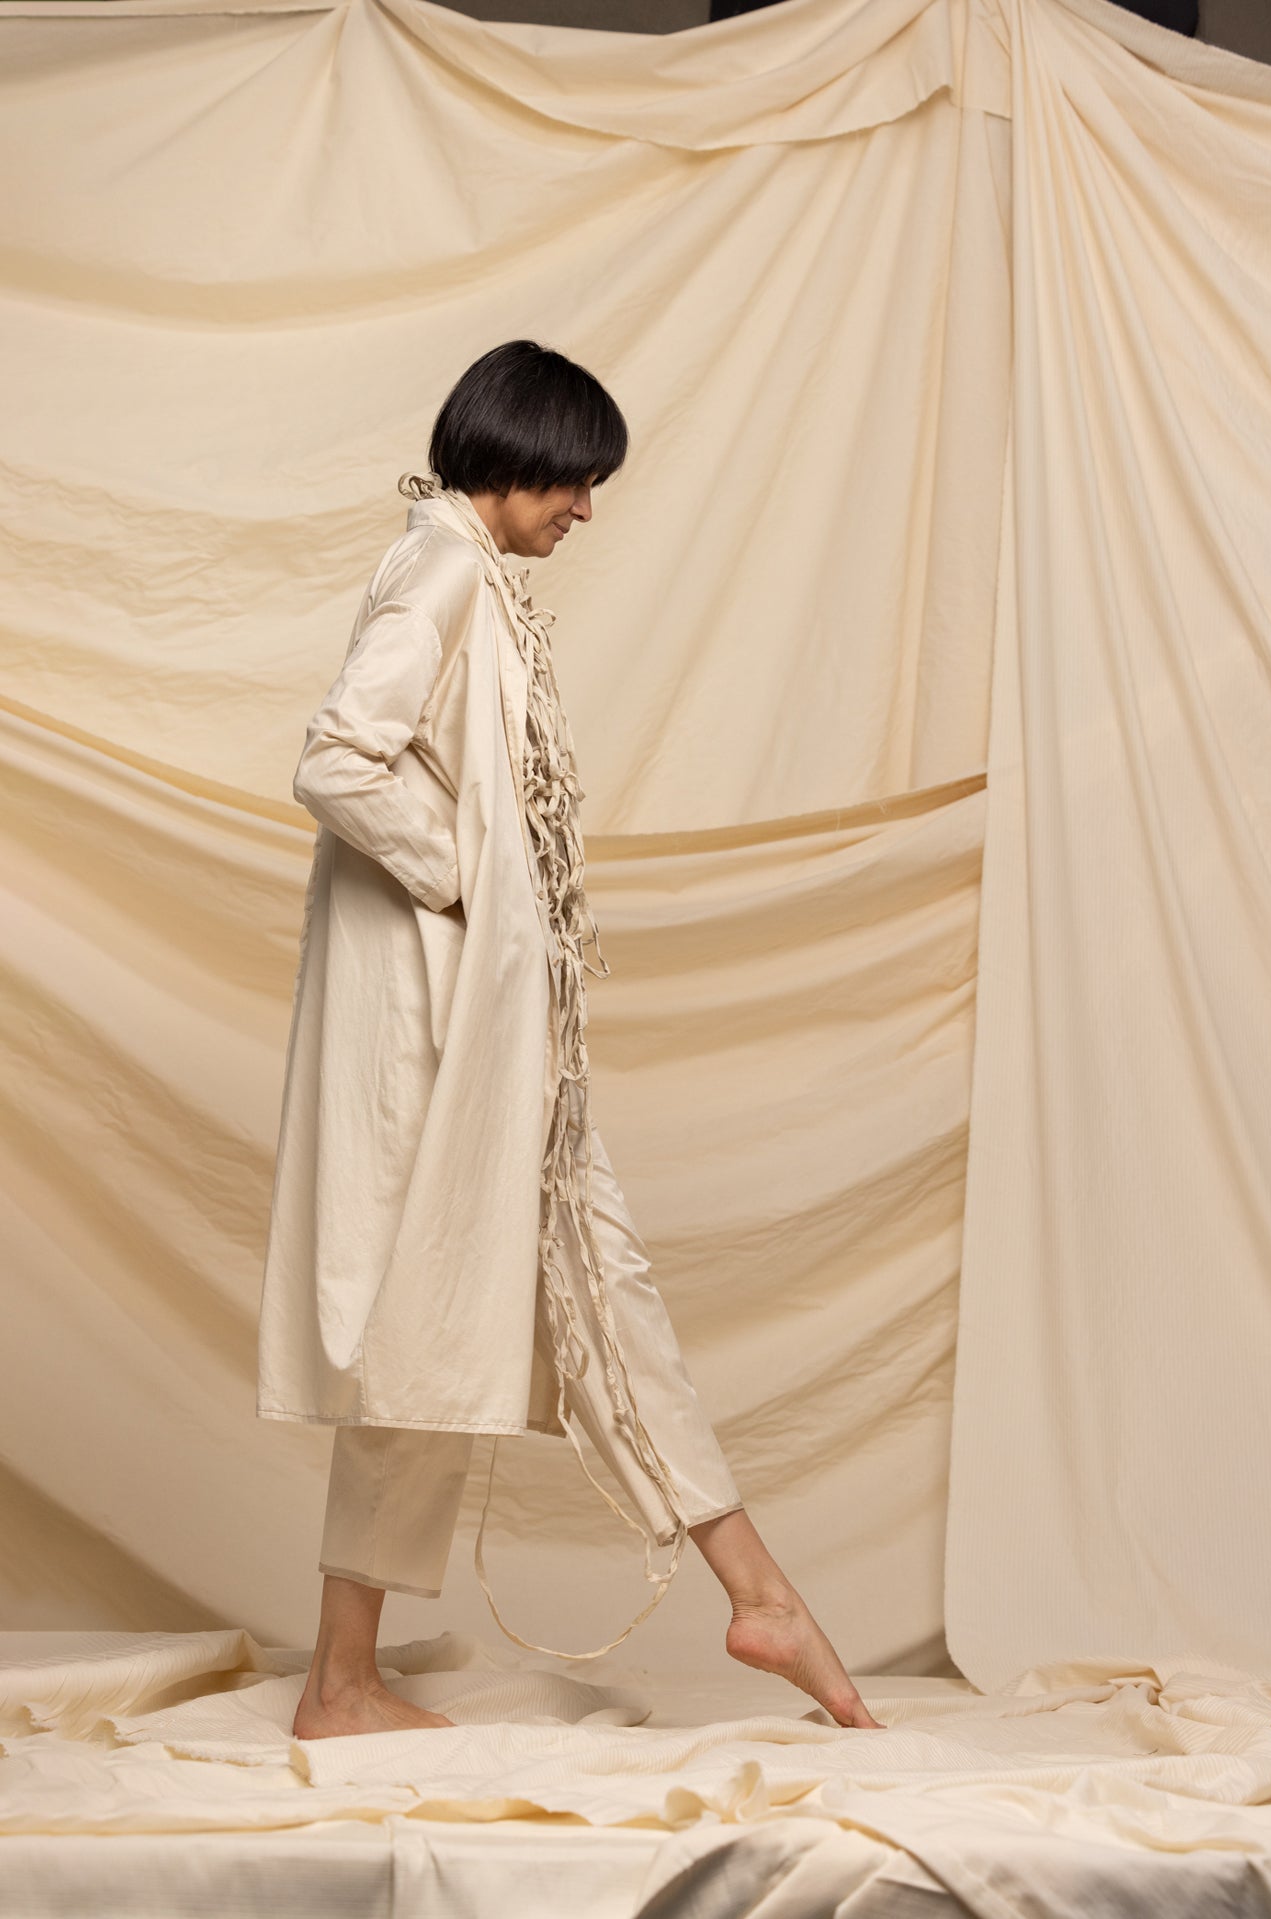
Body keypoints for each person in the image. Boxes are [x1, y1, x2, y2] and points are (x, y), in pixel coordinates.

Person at [258, 340, 881, 1738]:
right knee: (556, 1283)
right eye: (574, 482)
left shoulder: (468, 572)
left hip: (475, 1025)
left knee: (477, 1312)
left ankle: (351, 1682)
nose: (585, 511)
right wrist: (475, 882)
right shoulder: (440, 571)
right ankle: (756, 1595)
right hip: (441, 1032)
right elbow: (339, 756)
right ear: (516, 456)